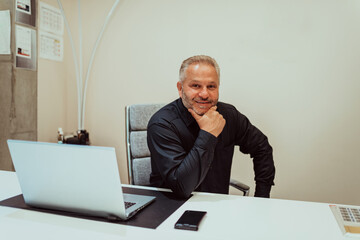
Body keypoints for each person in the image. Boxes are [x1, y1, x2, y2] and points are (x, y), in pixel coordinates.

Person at [147, 55, 275, 198]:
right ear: (180, 88)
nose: (204, 94)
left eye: (211, 86)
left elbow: (262, 147)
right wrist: (208, 134)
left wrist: (262, 198)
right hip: (171, 208)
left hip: (217, 207)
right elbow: (182, 187)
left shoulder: (228, 115)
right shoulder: (162, 124)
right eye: (195, 86)